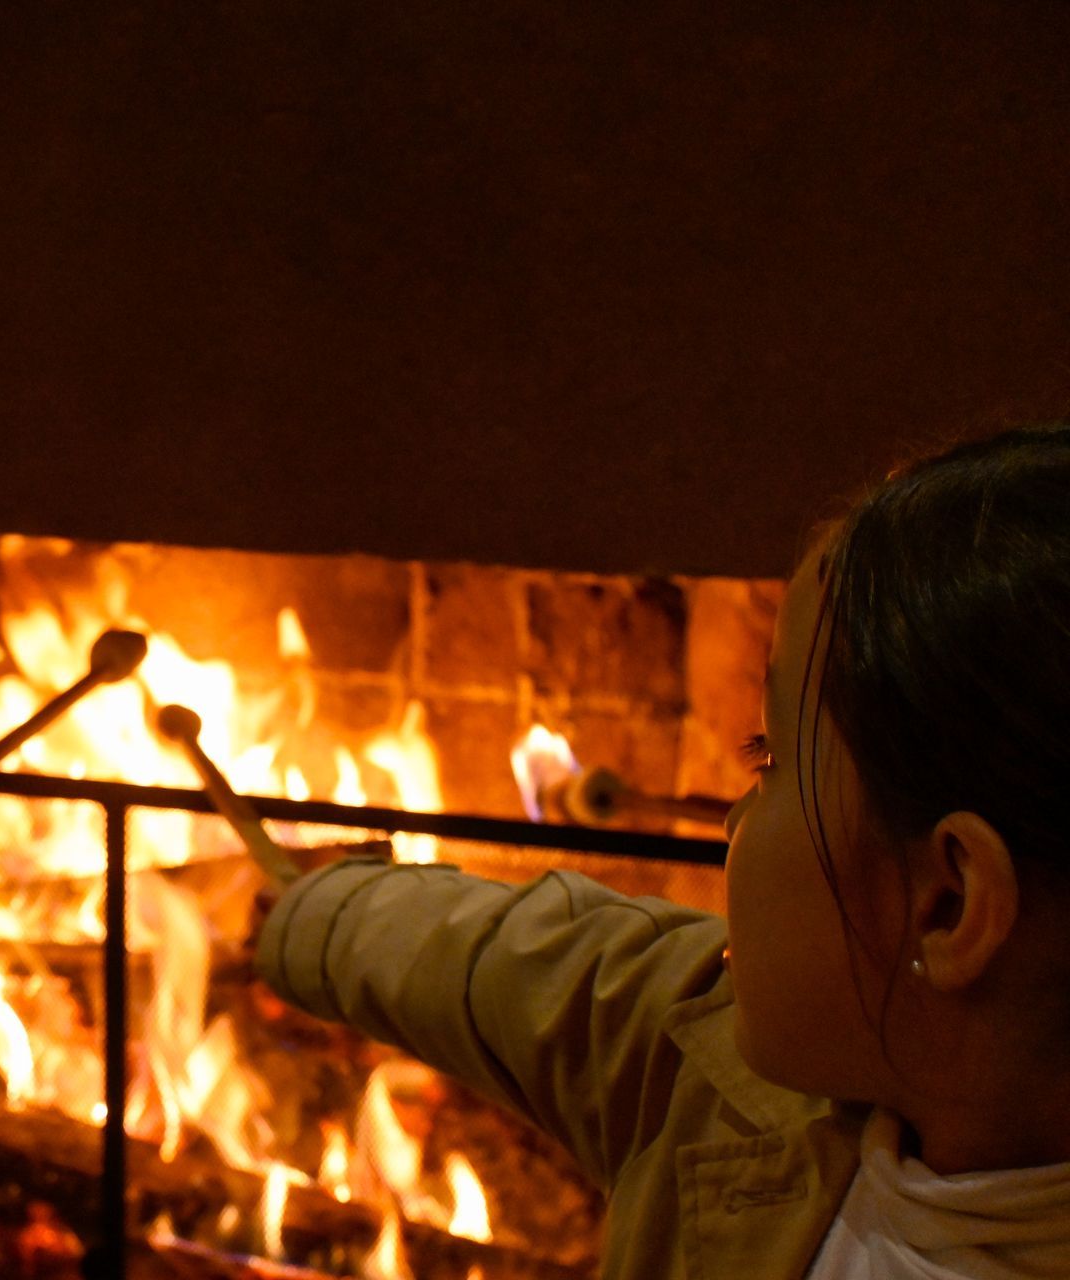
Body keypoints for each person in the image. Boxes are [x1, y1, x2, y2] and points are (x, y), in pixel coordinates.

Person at [259, 424, 1070, 1278]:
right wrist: (323, 907)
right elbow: (534, 969)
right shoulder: (728, 1081)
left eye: (769, 759)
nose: (731, 819)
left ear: (948, 902)